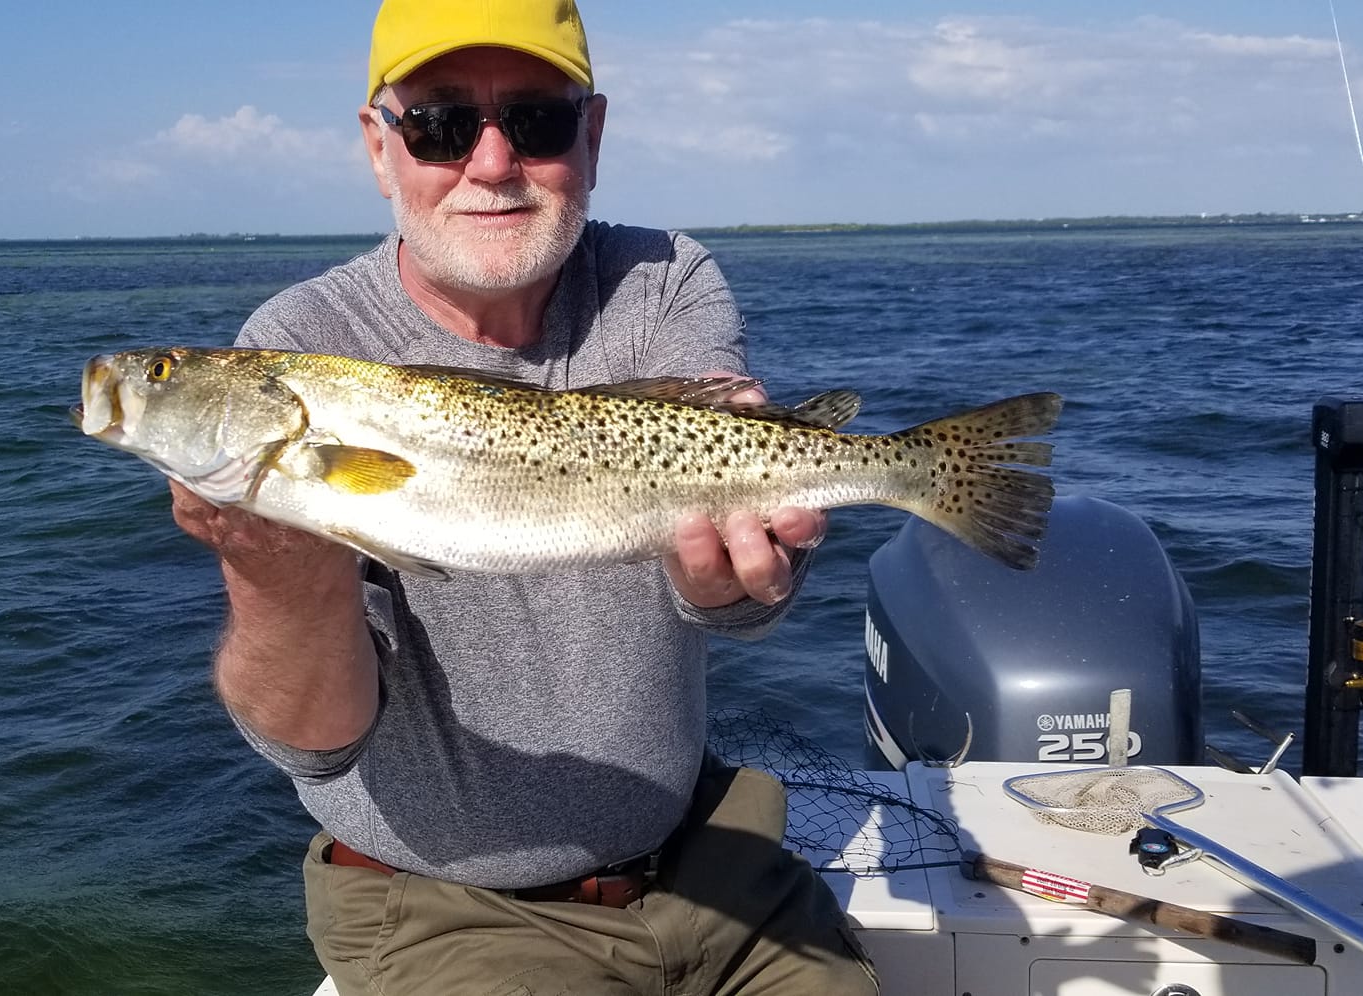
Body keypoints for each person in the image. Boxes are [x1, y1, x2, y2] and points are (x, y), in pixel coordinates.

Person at [168, 1, 878, 992]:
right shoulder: (301, 345)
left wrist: (738, 572)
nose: (492, 163)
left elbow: (731, 601)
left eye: (536, 121)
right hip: (443, 908)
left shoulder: (664, 278)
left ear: (591, 136)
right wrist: (273, 571)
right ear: (380, 148)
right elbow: (313, 746)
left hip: (703, 856)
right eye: (440, 125)